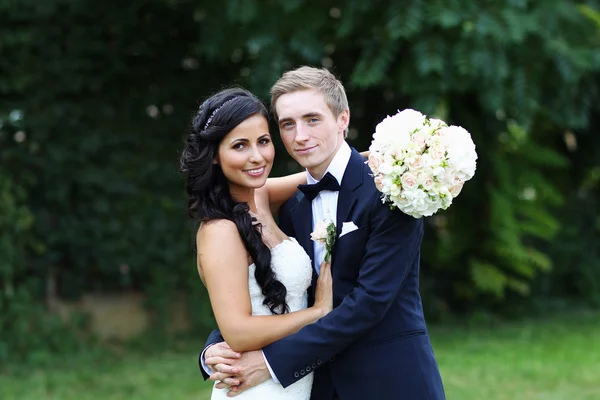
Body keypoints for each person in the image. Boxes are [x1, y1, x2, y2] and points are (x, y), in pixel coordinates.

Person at [200, 67, 446, 400]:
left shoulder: (391, 192)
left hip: (390, 381)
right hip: (319, 387)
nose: (300, 136)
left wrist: (271, 362)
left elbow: (369, 303)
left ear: (343, 119)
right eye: (288, 124)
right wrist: (216, 346)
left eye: (312, 119)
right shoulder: (290, 207)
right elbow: (275, 289)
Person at [180, 87, 337, 399]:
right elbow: (237, 333)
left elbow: (332, 172)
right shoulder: (219, 231)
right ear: (214, 155)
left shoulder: (260, 196)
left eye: (263, 141)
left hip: (291, 382)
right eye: (240, 145)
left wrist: (396, 157)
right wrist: (318, 312)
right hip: (256, 387)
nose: (257, 157)